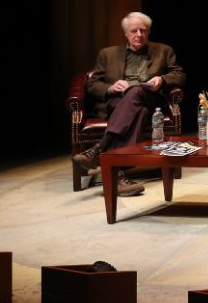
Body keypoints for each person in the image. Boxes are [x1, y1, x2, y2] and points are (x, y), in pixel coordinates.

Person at [72, 12, 186, 195]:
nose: (138, 35)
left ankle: (100, 148)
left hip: (150, 99)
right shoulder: (107, 54)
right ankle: (118, 176)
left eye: (143, 30)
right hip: (118, 102)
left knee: (138, 91)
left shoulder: (164, 50)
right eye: (134, 31)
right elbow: (92, 84)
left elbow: (179, 75)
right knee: (137, 111)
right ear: (126, 33)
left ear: (148, 32)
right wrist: (110, 88)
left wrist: (162, 80)